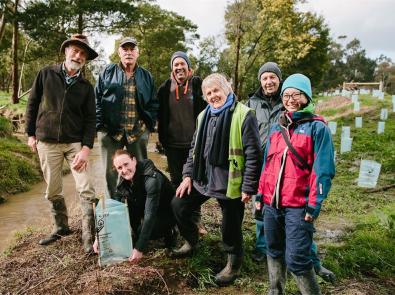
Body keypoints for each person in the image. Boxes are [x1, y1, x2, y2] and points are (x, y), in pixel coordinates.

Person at [171, 73, 262, 286]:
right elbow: (194, 148)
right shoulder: (203, 116)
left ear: (226, 90)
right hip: (203, 178)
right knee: (178, 205)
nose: (213, 96)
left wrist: (248, 186)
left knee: (230, 224)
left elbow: (253, 153)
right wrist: (187, 176)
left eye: (216, 91)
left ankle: (234, 262)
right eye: (208, 93)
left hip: (229, 180)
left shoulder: (244, 114)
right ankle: (192, 240)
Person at [249, 62, 336, 284]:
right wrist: (258, 190)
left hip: (297, 193)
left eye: (296, 94)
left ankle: (313, 263)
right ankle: (272, 277)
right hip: (269, 184)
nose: (290, 99)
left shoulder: (312, 124)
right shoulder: (255, 107)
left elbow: (322, 169)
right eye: (264, 78)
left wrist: (314, 203)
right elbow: (258, 153)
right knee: (271, 239)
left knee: (299, 243)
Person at [25, 34, 98, 253]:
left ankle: (88, 235)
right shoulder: (46, 74)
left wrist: (86, 149)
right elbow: (32, 103)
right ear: (66, 51)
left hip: (75, 143)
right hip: (46, 142)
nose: (78, 55)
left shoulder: (86, 87)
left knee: (86, 187)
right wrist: (30, 134)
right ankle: (61, 227)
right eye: (75, 50)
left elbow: (90, 120)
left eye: (83, 53)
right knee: (53, 189)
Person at [95, 36, 158, 199]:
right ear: (119, 52)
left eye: (132, 49)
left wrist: (145, 128)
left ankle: (139, 210)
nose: (128, 52)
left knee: (139, 172)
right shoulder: (107, 72)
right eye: (125, 49)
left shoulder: (146, 76)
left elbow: (153, 104)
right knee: (111, 176)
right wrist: (100, 126)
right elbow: (96, 100)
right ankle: (115, 212)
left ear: (138, 53)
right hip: (110, 134)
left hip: (137, 134)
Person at [93, 150, 177, 264]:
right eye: (119, 167)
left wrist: (139, 248)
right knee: (124, 205)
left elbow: (150, 215)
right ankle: (139, 235)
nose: (124, 170)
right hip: (146, 207)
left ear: (134, 161)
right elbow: (114, 211)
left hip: (167, 212)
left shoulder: (152, 178)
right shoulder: (123, 180)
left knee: (148, 232)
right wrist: (100, 237)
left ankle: (170, 231)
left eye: (126, 164)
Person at [157, 51, 207, 188]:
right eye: (176, 64)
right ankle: (177, 208)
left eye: (182, 63)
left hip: (195, 145)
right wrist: (161, 139)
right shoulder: (164, 89)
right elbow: (157, 113)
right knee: (176, 180)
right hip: (172, 145)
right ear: (172, 68)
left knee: (194, 179)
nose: (179, 67)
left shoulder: (198, 85)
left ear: (188, 67)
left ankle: (194, 210)